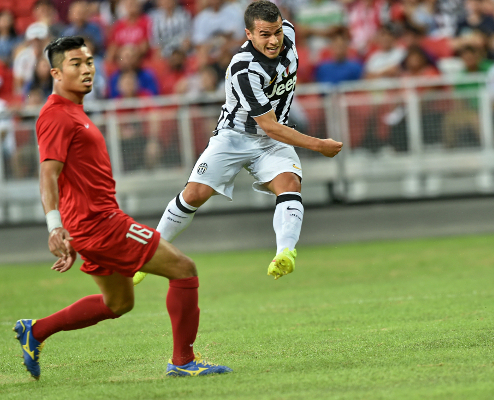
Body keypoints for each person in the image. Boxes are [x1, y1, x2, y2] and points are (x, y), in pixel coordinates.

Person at [13, 36, 231, 380]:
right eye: (75, 64)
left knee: (118, 303)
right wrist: (56, 226)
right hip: (101, 224)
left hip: (87, 226)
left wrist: (70, 230)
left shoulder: (73, 111)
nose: (86, 69)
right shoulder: (56, 115)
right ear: (55, 72)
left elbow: (69, 178)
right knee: (184, 270)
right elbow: (48, 175)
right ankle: (183, 362)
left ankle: (36, 331)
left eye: (89, 62)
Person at [133, 1, 342, 285]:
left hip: (271, 141)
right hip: (235, 137)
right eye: (265, 34)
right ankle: (151, 253)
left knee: (290, 184)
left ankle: (285, 253)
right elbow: (269, 126)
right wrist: (319, 145)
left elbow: (272, 130)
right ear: (249, 34)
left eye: (277, 32)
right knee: (194, 194)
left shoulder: (289, 34)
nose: (273, 40)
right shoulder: (245, 68)